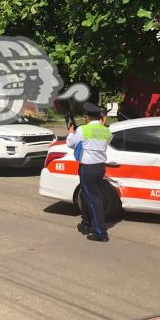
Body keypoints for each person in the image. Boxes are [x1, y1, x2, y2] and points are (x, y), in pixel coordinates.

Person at [67, 102, 113, 242]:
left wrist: (70, 133)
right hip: (100, 167)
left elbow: (71, 143)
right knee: (87, 196)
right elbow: (108, 141)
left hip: (88, 168)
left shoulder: (83, 130)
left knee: (94, 199)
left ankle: (100, 232)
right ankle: (86, 224)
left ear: (86, 117)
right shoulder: (106, 131)